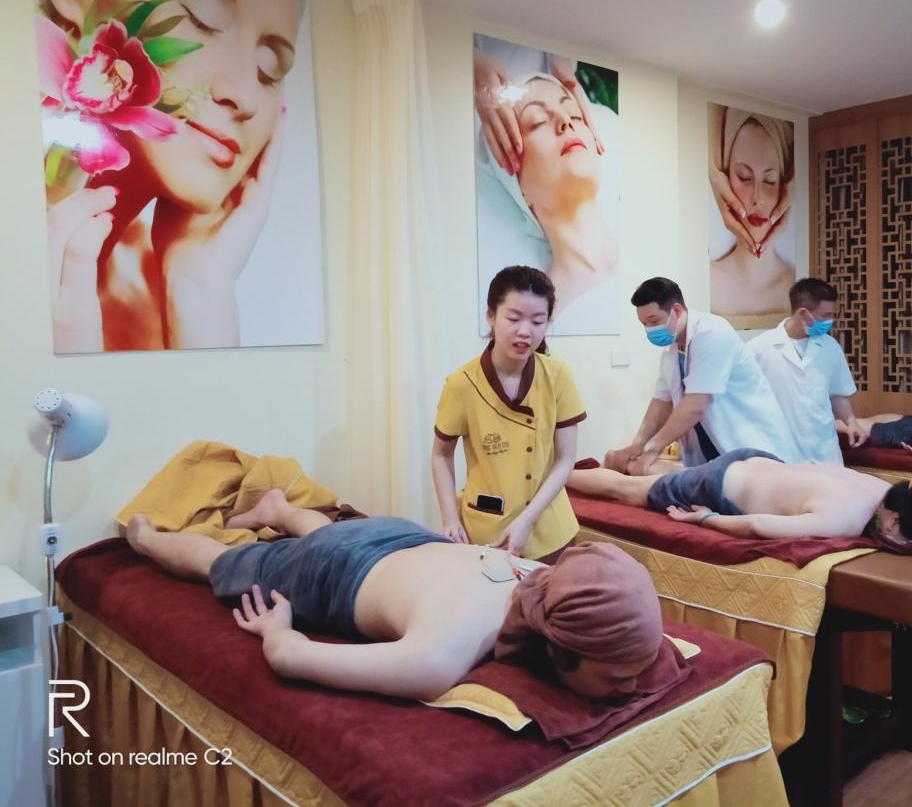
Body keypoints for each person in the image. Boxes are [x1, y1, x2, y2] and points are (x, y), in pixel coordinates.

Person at [33, 0, 304, 352]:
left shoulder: (154, 293)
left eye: (270, 68)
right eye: (201, 17)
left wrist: (201, 287)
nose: (245, 95)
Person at [124, 492, 665, 701]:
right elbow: (289, 658)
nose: (637, 686)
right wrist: (277, 628)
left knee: (328, 535)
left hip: (401, 536)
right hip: (333, 567)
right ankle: (145, 538)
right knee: (220, 565)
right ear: (562, 650)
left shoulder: (545, 577)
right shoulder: (440, 655)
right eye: (619, 678)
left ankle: (280, 510)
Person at [432, 266, 585, 561]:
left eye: (537, 321)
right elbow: (441, 455)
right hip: (487, 532)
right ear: (491, 316)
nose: (525, 331)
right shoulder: (462, 384)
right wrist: (450, 518)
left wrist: (526, 520)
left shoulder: (557, 376)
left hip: (551, 531)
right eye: (514, 319)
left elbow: (566, 460)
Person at [474, 45, 618, 333]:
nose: (565, 122)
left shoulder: (653, 255)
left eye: (575, 115)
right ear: (519, 189)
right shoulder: (545, 320)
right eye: (537, 121)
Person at [569, 451, 912, 545]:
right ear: (893, 521)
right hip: (722, 485)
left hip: (756, 461)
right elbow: (758, 526)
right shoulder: (848, 518)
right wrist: (706, 519)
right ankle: (554, 475)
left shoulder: (878, 486)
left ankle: (648, 466)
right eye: (904, 537)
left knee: (670, 478)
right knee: (625, 492)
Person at [608, 277, 801, 476]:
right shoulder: (672, 350)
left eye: (654, 321)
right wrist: (638, 445)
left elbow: (696, 405)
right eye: (644, 324)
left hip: (752, 448)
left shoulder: (712, 333)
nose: (650, 329)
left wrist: (653, 449)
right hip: (714, 461)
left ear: (676, 310)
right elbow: (661, 401)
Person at [747, 278, 865, 465]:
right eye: (825, 315)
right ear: (803, 313)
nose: (830, 321)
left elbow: (838, 394)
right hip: (780, 449)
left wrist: (851, 422)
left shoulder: (830, 346)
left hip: (824, 450)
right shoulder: (759, 348)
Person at [708, 105, 795, 321]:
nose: (758, 198)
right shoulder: (705, 282)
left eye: (770, 180)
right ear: (725, 180)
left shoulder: (798, 285)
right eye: (744, 177)